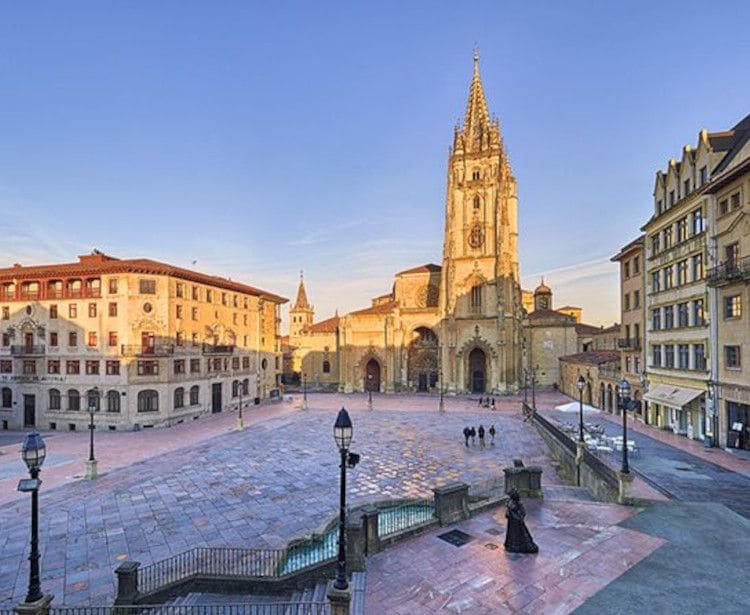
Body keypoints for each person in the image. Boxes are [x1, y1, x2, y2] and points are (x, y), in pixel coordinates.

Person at [504, 488, 538, 554]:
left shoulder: (518, 504)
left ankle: (518, 546)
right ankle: (512, 545)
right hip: (512, 522)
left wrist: (518, 517)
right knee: (512, 535)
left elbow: (523, 512)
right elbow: (508, 511)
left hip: (517, 522)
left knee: (519, 534)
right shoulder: (510, 502)